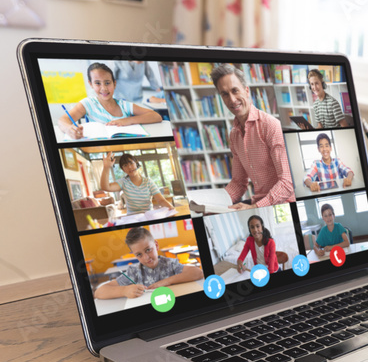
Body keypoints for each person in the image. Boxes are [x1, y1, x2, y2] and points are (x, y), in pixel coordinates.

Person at [210, 64, 295, 210]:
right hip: (258, 204)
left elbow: (287, 182)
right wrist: (216, 204)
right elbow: (238, 182)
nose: (232, 99)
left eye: (235, 91)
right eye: (225, 94)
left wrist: (255, 207)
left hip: (283, 204)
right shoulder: (234, 134)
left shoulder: (270, 125)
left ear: (246, 91)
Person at [57, 62, 163, 140]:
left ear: (114, 84)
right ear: (91, 84)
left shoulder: (124, 105)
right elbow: (62, 120)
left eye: (107, 83)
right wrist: (68, 129)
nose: (104, 88)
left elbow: (156, 116)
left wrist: (127, 120)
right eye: (97, 83)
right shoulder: (88, 103)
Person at [95, 227, 202, 299]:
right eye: (139, 254)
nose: (146, 257)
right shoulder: (134, 271)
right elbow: (99, 292)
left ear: (156, 245)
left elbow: (198, 272)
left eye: (148, 250)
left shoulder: (169, 264)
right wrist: (124, 290)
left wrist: (166, 281)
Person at [99, 152, 172, 214]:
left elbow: (161, 200)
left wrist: (171, 209)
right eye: (125, 165)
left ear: (136, 163)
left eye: (131, 163)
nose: (129, 167)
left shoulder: (148, 182)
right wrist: (106, 167)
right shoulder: (123, 182)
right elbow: (106, 187)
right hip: (132, 218)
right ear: (123, 170)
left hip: (148, 216)